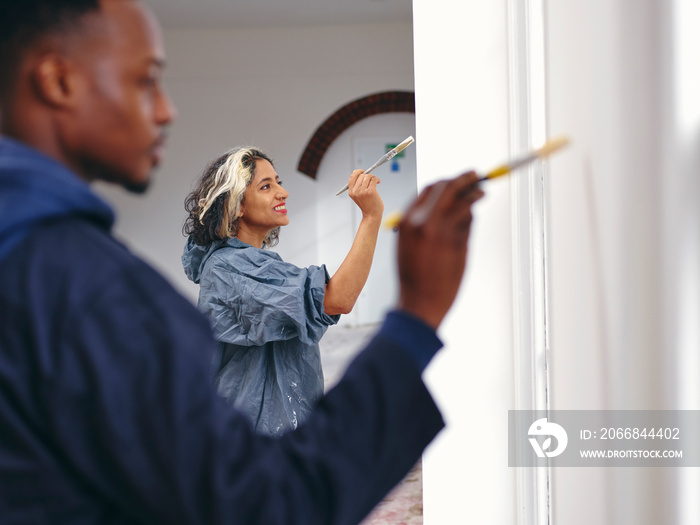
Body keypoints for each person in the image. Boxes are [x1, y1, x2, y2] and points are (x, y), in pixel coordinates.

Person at [0, 0, 484, 523]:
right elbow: (266, 502)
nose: (167, 110)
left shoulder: (43, 261)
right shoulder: (97, 286)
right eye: (146, 81)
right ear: (58, 81)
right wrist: (415, 314)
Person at [181, 147, 383, 436]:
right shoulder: (231, 268)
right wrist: (371, 217)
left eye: (278, 181)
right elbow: (336, 300)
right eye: (266, 186)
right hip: (255, 440)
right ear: (237, 205)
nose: (282, 193)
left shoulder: (248, 262)